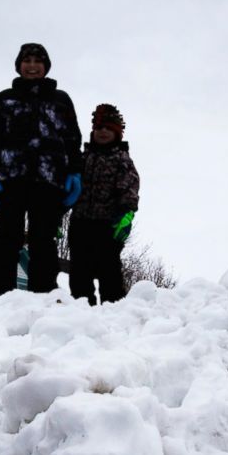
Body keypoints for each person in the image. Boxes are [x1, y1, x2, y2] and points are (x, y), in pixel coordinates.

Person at [0, 42, 83, 295]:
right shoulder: (5, 99)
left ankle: (44, 296)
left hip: (49, 181)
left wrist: (75, 173)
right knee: (5, 238)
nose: (33, 66)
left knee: (43, 240)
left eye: (38, 61)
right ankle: (0, 293)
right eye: (27, 61)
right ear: (19, 65)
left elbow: (72, 140)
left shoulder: (61, 100)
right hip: (11, 179)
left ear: (46, 66)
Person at [68, 103, 139, 304]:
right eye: (99, 128)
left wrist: (127, 214)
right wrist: (57, 214)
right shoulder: (83, 158)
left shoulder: (121, 159)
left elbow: (129, 187)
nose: (103, 132)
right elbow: (69, 188)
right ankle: (82, 310)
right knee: (79, 273)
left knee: (110, 273)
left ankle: (114, 313)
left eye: (108, 128)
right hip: (80, 222)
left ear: (117, 133)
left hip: (108, 226)